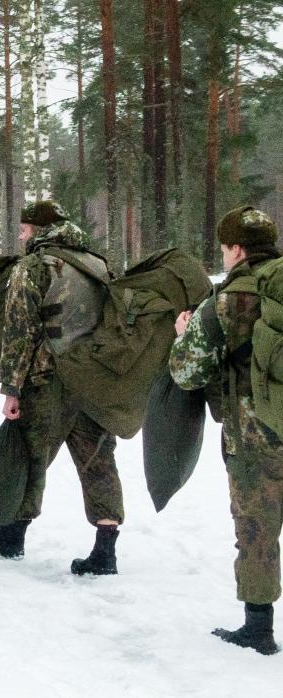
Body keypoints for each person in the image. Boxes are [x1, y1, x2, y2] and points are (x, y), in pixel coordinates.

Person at [0, 200, 124, 576]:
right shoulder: (98, 264)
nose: (20, 235)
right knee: (98, 461)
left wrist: (11, 388)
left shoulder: (32, 267)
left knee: (32, 454)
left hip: (47, 380)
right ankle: (106, 550)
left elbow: (20, 331)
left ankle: (13, 533)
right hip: (93, 377)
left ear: (37, 229)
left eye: (23, 229)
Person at [170, 205, 282, 656]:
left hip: (255, 435)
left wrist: (184, 332)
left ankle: (258, 628)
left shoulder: (225, 302)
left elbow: (187, 373)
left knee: (257, 527)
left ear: (236, 249)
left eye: (224, 249)